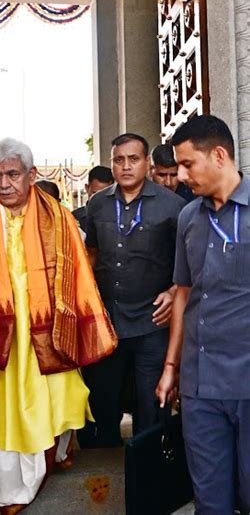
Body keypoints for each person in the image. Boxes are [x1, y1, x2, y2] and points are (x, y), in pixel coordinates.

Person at [0, 137, 117, 513]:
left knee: (57, 402)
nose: (4, 183)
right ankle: (11, 490)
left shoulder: (58, 217)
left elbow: (79, 275)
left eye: (12, 174)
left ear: (31, 174)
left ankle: (55, 450)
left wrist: (70, 318)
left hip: (47, 327)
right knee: (1, 414)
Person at [156, 115, 250, 514]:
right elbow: (183, 293)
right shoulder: (188, 218)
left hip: (247, 380)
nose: (180, 175)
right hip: (199, 385)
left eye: (187, 164)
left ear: (219, 155)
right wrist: (172, 366)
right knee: (210, 500)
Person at [79, 133, 186, 449]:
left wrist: (174, 290)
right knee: (105, 399)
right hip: (107, 320)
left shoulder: (173, 206)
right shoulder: (97, 204)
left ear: (147, 163)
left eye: (133, 159)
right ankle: (106, 475)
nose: (126, 166)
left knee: (150, 402)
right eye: (118, 159)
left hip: (153, 319)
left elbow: (190, 261)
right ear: (111, 163)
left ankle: (148, 473)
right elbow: (92, 252)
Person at [72, 165, 114, 232]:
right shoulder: (73, 218)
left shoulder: (120, 218)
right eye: (95, 194)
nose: (99, 199)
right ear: (87, 188)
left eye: (105, 195)